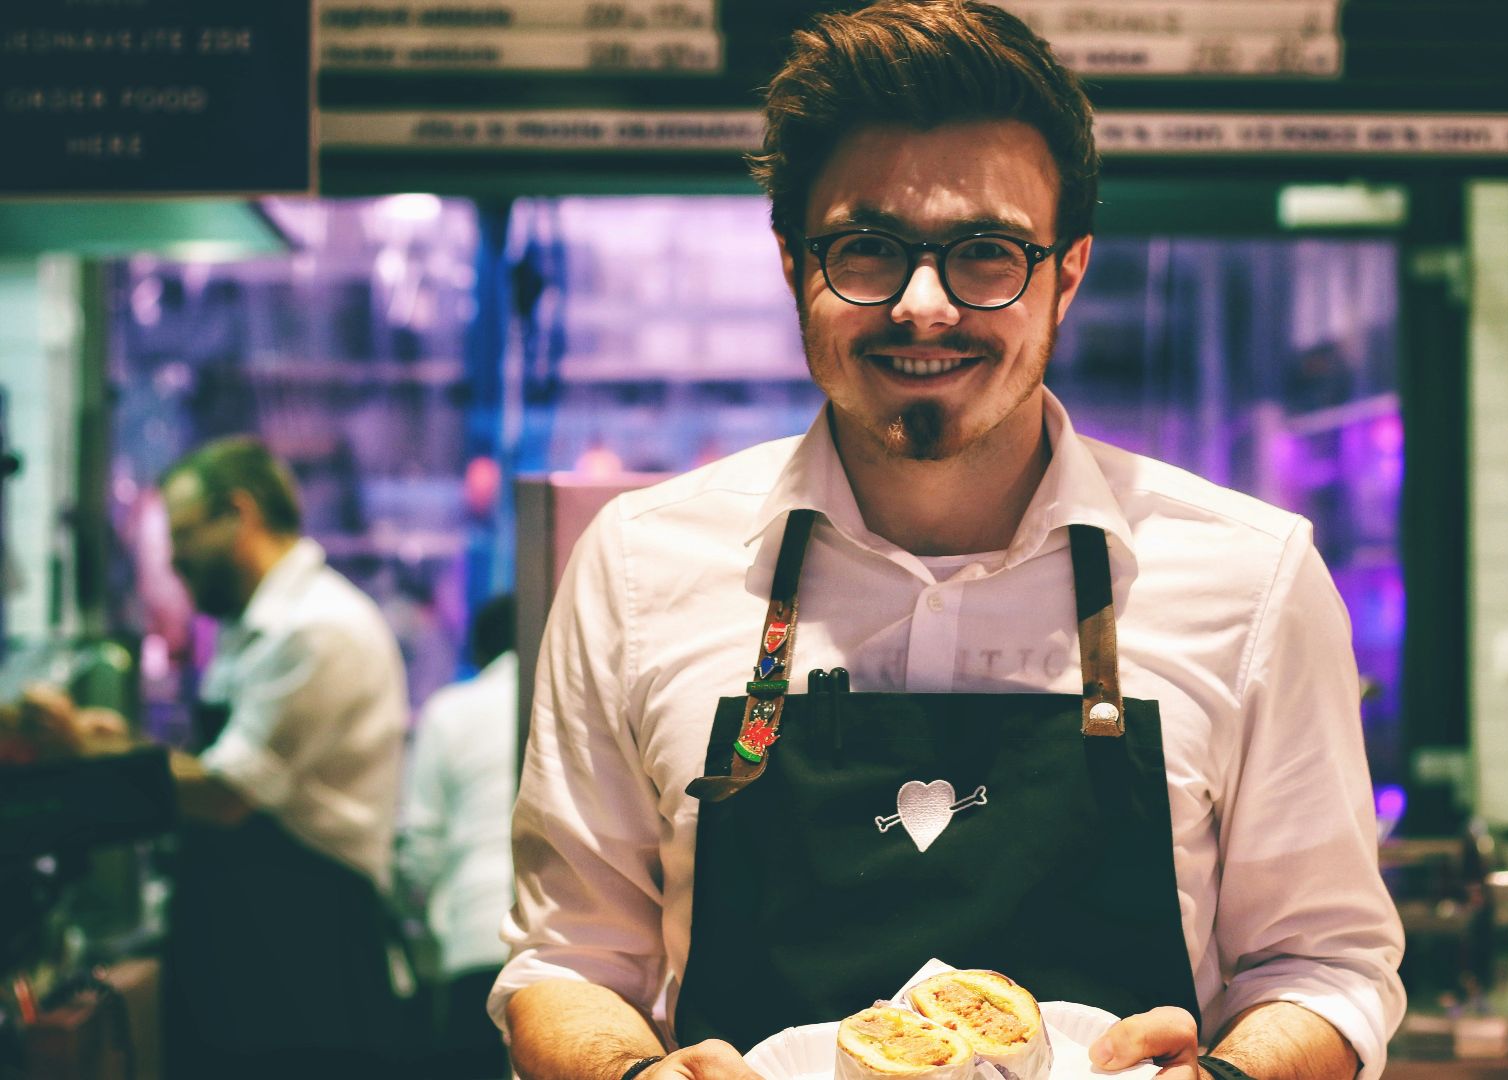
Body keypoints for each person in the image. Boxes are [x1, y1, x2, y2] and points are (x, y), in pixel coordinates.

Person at [492, 5, 1405, 1080]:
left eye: (985, 254)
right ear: (792, 264)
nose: (924, 306)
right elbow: (569, 961)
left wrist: (1230, 1076)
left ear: (1068, 273)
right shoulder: (639, 568)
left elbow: (1325, 967)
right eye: (866, 249)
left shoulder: (1251, 578)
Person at [30, 436, 414, 1077]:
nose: (173, 558)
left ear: (240, 513)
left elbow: (226, 793)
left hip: (307, 965)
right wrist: (110, 744)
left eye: (182, 534)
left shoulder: (316, 628)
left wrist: (85, 751)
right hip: (256, 960)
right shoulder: (255, 628)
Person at [399, 594, 518, 1079]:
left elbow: (420, 847)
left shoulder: (452, 710)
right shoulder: (583, 702)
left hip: (474, 936)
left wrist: (420, 934)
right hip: (574, 959)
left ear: (479, 651)